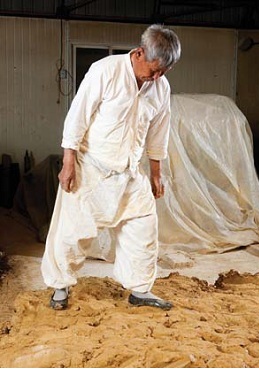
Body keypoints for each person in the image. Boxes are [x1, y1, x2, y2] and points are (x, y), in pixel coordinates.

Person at [41, 24, 181, 310]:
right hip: (91, 167)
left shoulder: (161, 87)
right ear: (140, 52)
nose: (157, 77)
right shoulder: (105, 71)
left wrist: (156, 173)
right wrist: (69, 163)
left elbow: (158, 132)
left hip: (130, 172)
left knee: (144, 226)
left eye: (163, 72)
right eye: (154, 70)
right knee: (71, 231)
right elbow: (77, 116)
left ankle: (140, 289)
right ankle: (60, 286)